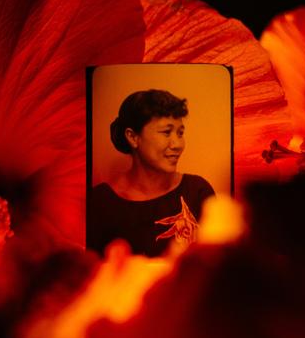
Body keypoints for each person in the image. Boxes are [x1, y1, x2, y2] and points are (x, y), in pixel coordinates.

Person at [89, 89, 215, 257]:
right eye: (166, 132)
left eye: (180, 133)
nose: (178, 144)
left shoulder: (198, 191)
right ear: (133, 137)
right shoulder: (100, 203)